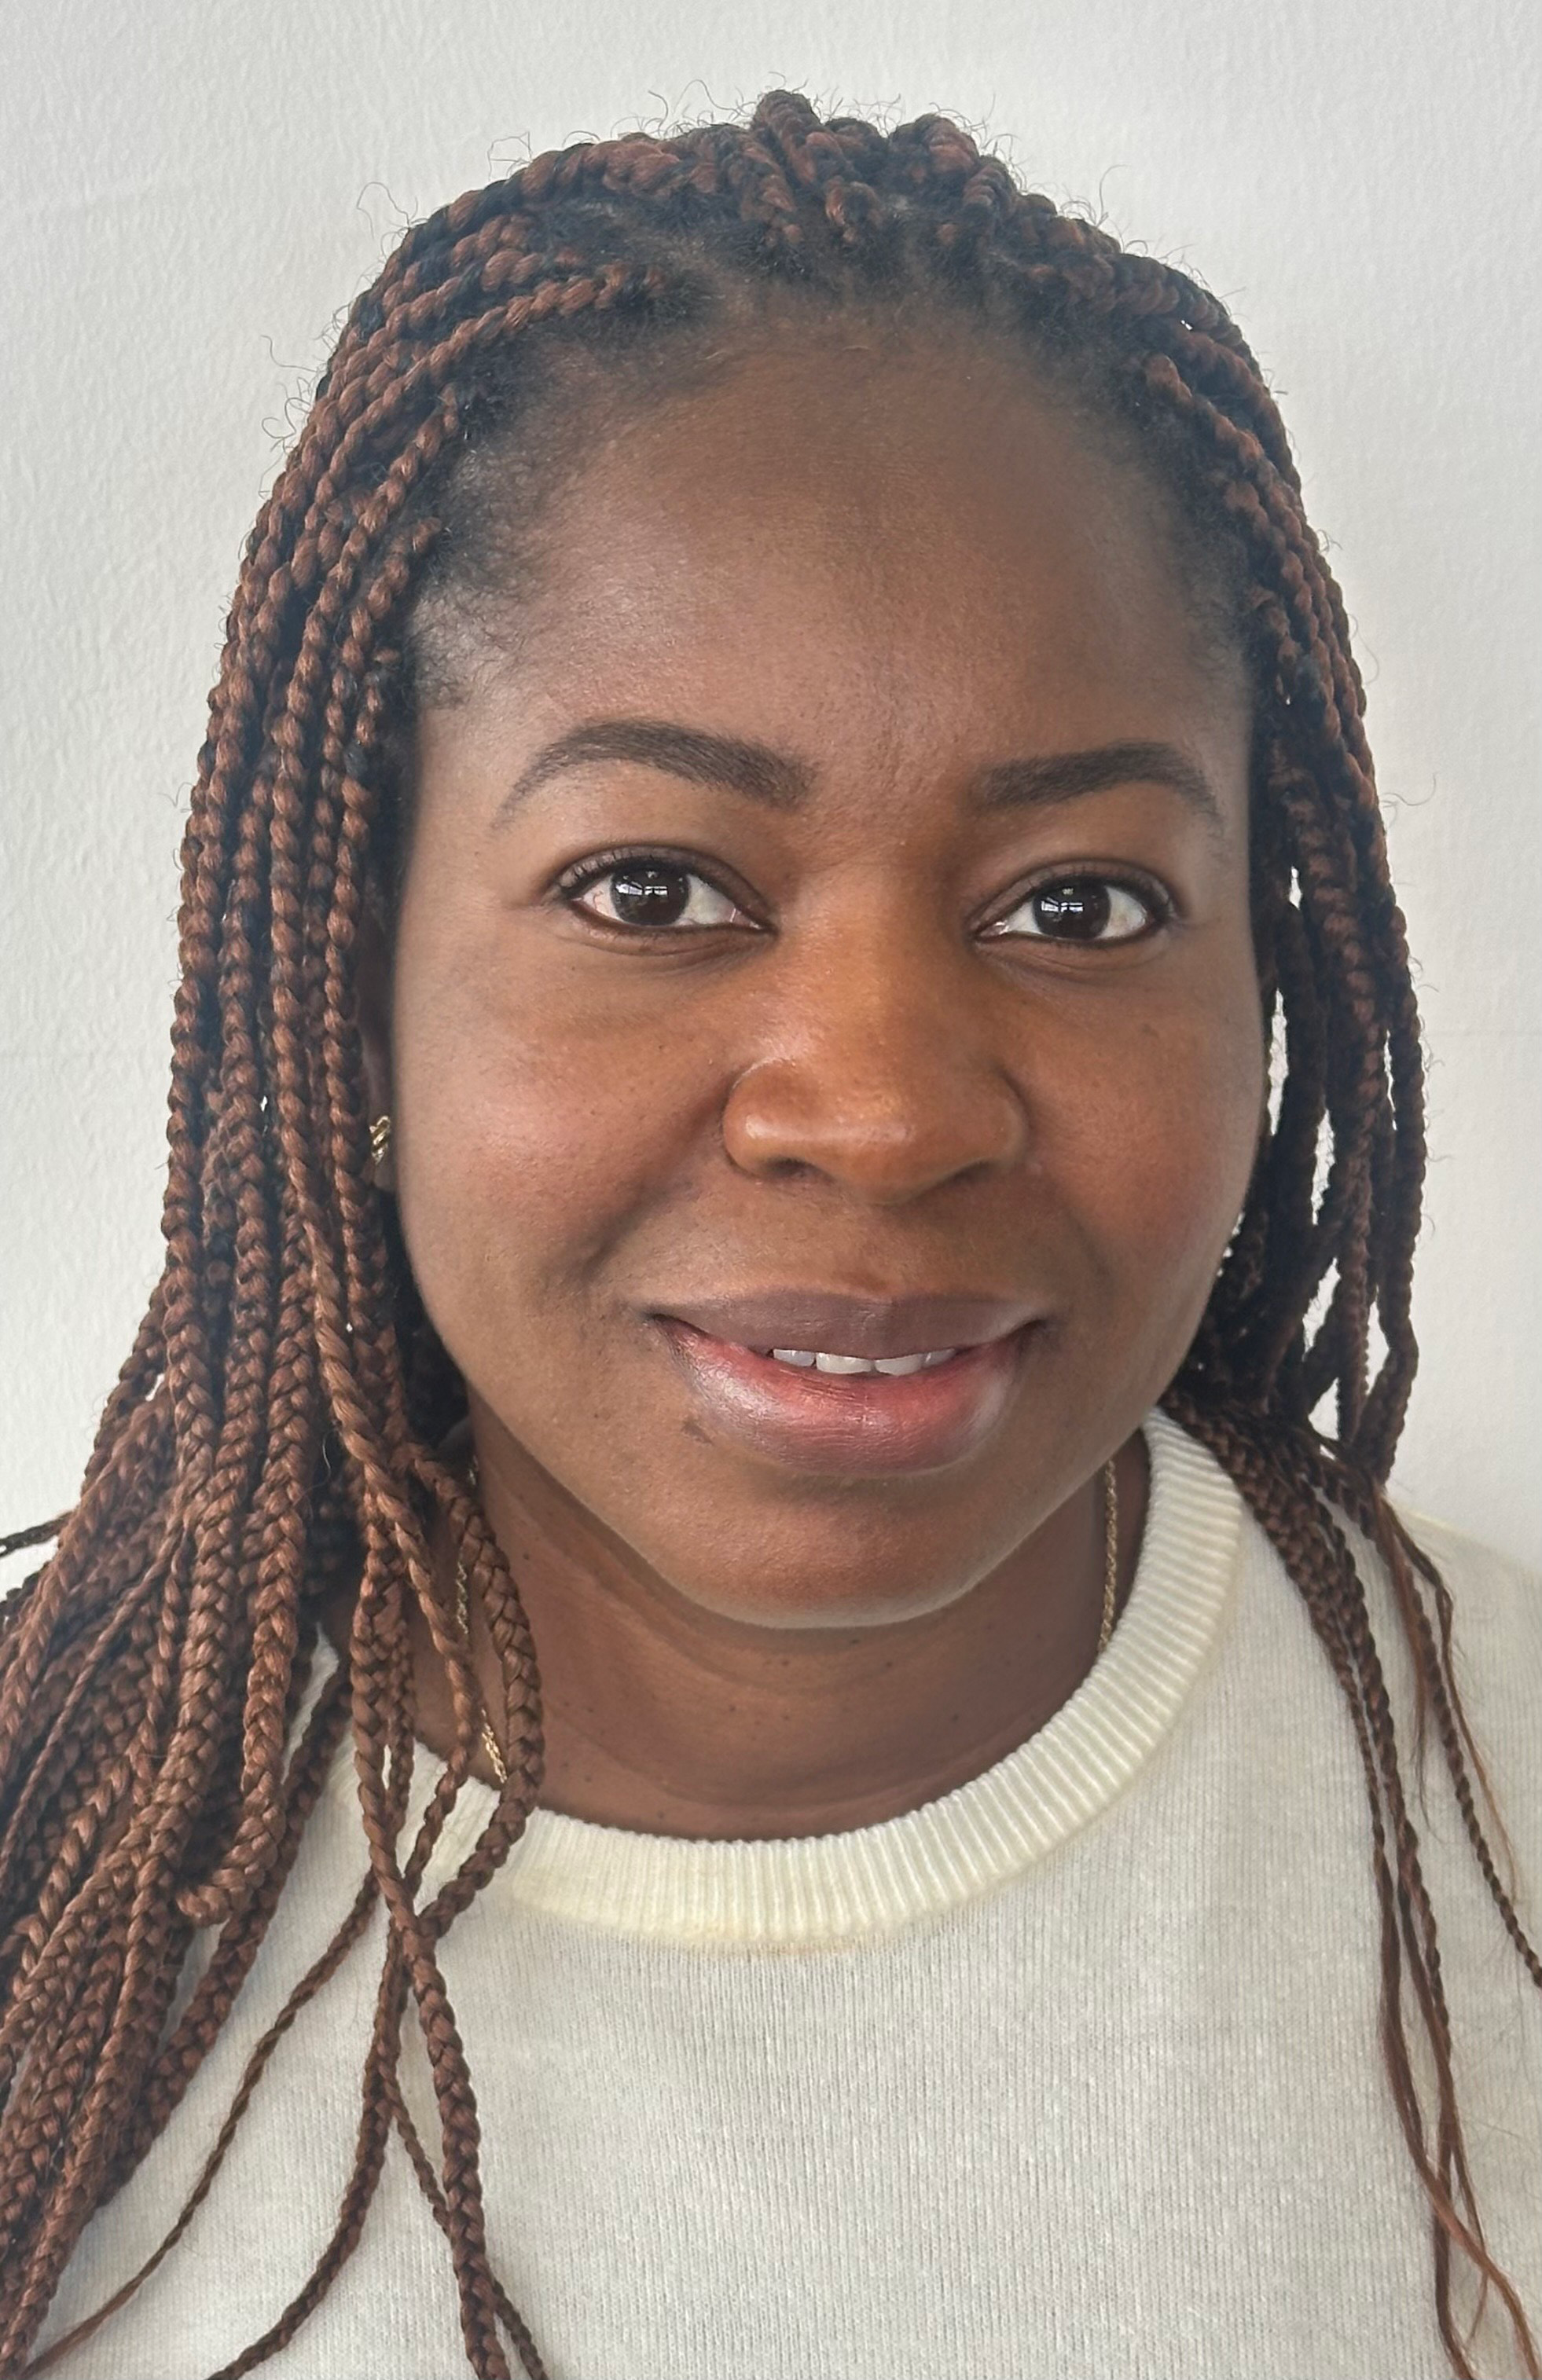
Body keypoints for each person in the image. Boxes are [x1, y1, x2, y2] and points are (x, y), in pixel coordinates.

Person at [0, 86, 1536, 2380]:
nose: (887, 1108)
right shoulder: (59, 1878)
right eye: (655, 890)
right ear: (351, 983)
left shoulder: (1496, 1822)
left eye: (1082, 901)